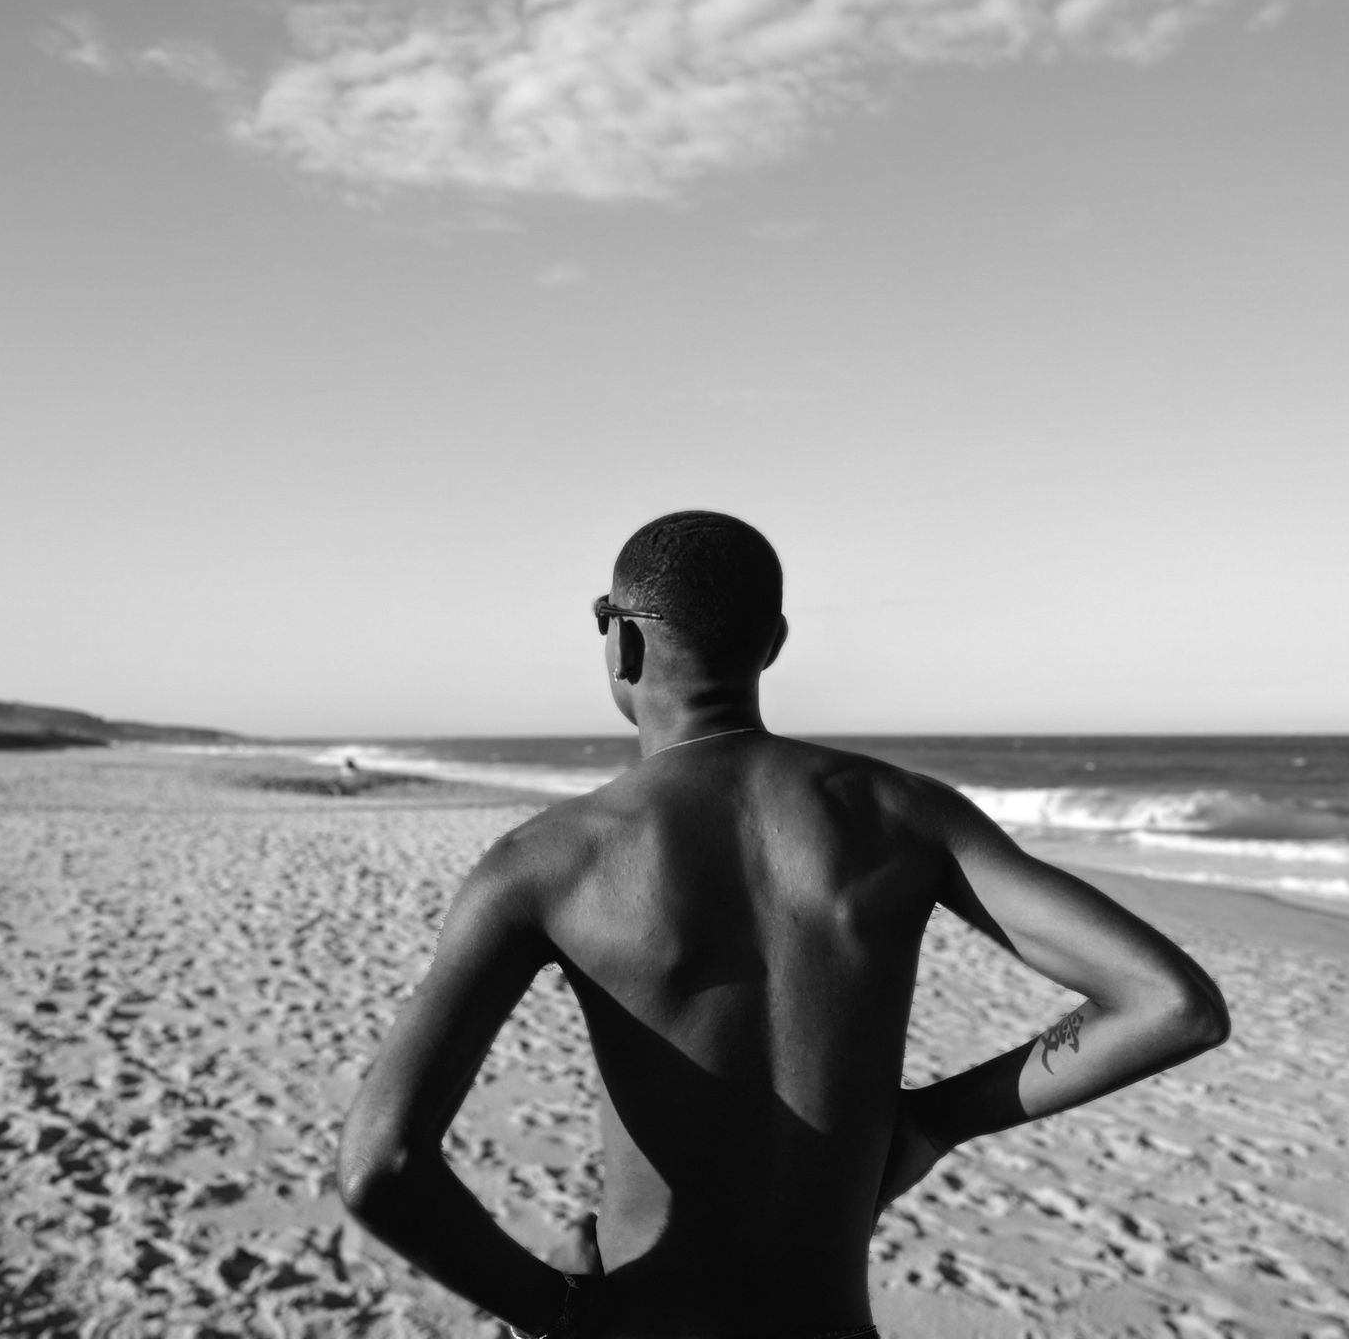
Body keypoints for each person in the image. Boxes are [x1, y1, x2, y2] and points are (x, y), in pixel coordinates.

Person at [338, 511, 1231, 1339]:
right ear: (774, 643)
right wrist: (931, 1123)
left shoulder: (549, 860)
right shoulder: (903, 815)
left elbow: (380, 1166)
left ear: (623, 641)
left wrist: (560, 1314)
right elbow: (1169, 1002)